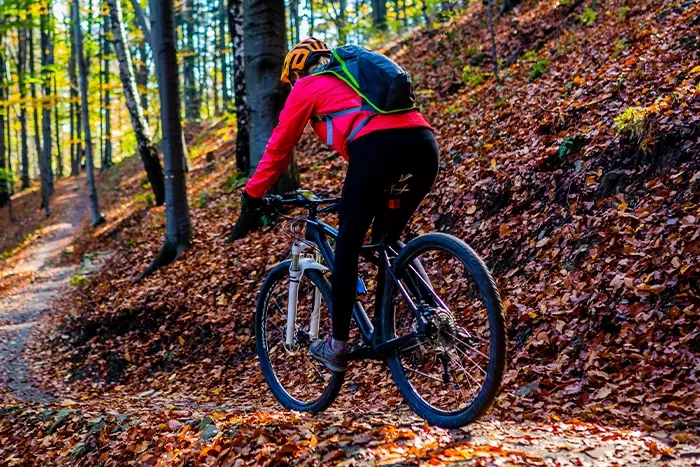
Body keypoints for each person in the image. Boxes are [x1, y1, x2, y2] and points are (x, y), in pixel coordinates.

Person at [231, 38, 440, 372]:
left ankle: (336, 346)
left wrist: (252, 196)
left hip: (377, 151)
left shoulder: (308, 86)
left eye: (293, 81)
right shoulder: (354, 78)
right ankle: (434, 313)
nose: (293, 87)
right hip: (424, 146)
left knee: (347, 243)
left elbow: (279, 147)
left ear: (298, 71)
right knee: (388, 236)